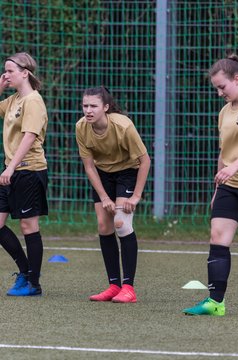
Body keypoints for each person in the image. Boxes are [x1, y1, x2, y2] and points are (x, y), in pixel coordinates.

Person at [76, 86, 151, 303]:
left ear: (106, 108)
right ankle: (113, 285)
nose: (88, 110)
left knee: (121, 224)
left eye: (93, 106)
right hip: (102, 175)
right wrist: (104, 197)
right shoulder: (81, 127)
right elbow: (89, 166)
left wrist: (136, 196)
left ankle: (129, 288)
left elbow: (145, 160)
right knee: (104, 226)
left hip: (128, 171)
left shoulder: (123, 126)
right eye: (85, 105)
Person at [183, 53, 238, 316]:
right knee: (218, 237)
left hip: (235, 173)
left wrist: (235, 166)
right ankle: (215, 303)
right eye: (216, 88)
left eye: (222, 87)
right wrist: (218, 186)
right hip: (230, 187)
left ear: (237, 79)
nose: (219, 93)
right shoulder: (224, 113)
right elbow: (223, 151)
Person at [0, 52, 48, 296]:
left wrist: (10, 167)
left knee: (29, 227)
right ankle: (26, 271)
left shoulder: (33, 101)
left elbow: (29, 137)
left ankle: (34, 284)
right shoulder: (13, 100)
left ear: (25, 73)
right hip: (12, 170)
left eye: (9, 70)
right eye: (4, 71)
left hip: (28, 170)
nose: (5, 74)